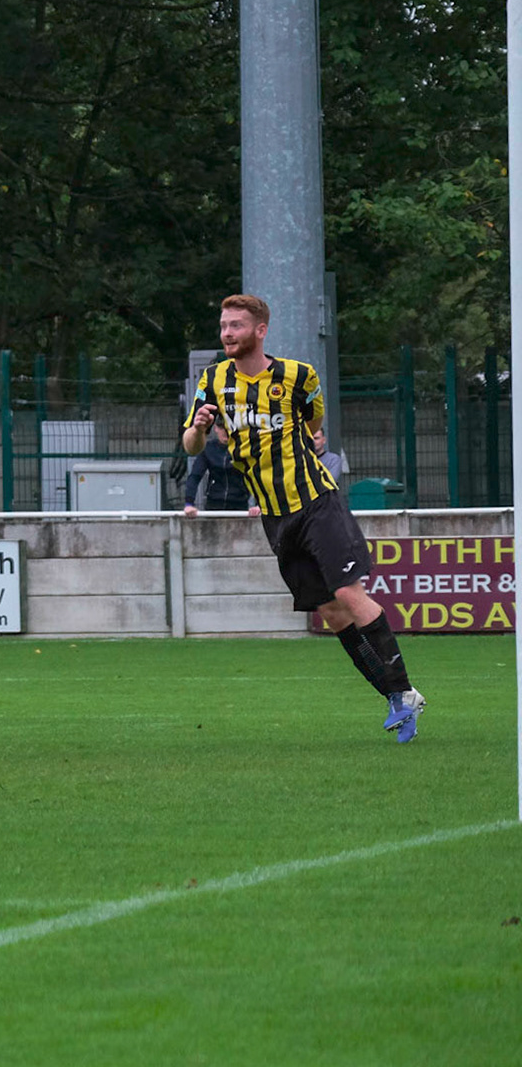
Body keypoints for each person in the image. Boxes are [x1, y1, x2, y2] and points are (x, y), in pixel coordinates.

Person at [183, 293, 425, 741]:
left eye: (236, 325)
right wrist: (197, 428)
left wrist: (309, 441)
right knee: (331, 613)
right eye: (223, 326)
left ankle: (404, 691)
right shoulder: (213, 380)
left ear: (260, 330)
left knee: (349, 595)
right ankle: (396, 698)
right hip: (274, 516)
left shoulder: (298, 376)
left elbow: (315, 426)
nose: (227, 334)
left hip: (316, 502)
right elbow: (191, 446)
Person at [181, 430, 257, 516]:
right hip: (214, 504)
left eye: (227, 427)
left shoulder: (244, 448)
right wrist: (189, 504)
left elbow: (257, 475)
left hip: (239, 505)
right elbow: (195, 476)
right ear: (216, 428)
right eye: (221, 427)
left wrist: (260, 505)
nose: (225, 432)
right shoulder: (208, 448)